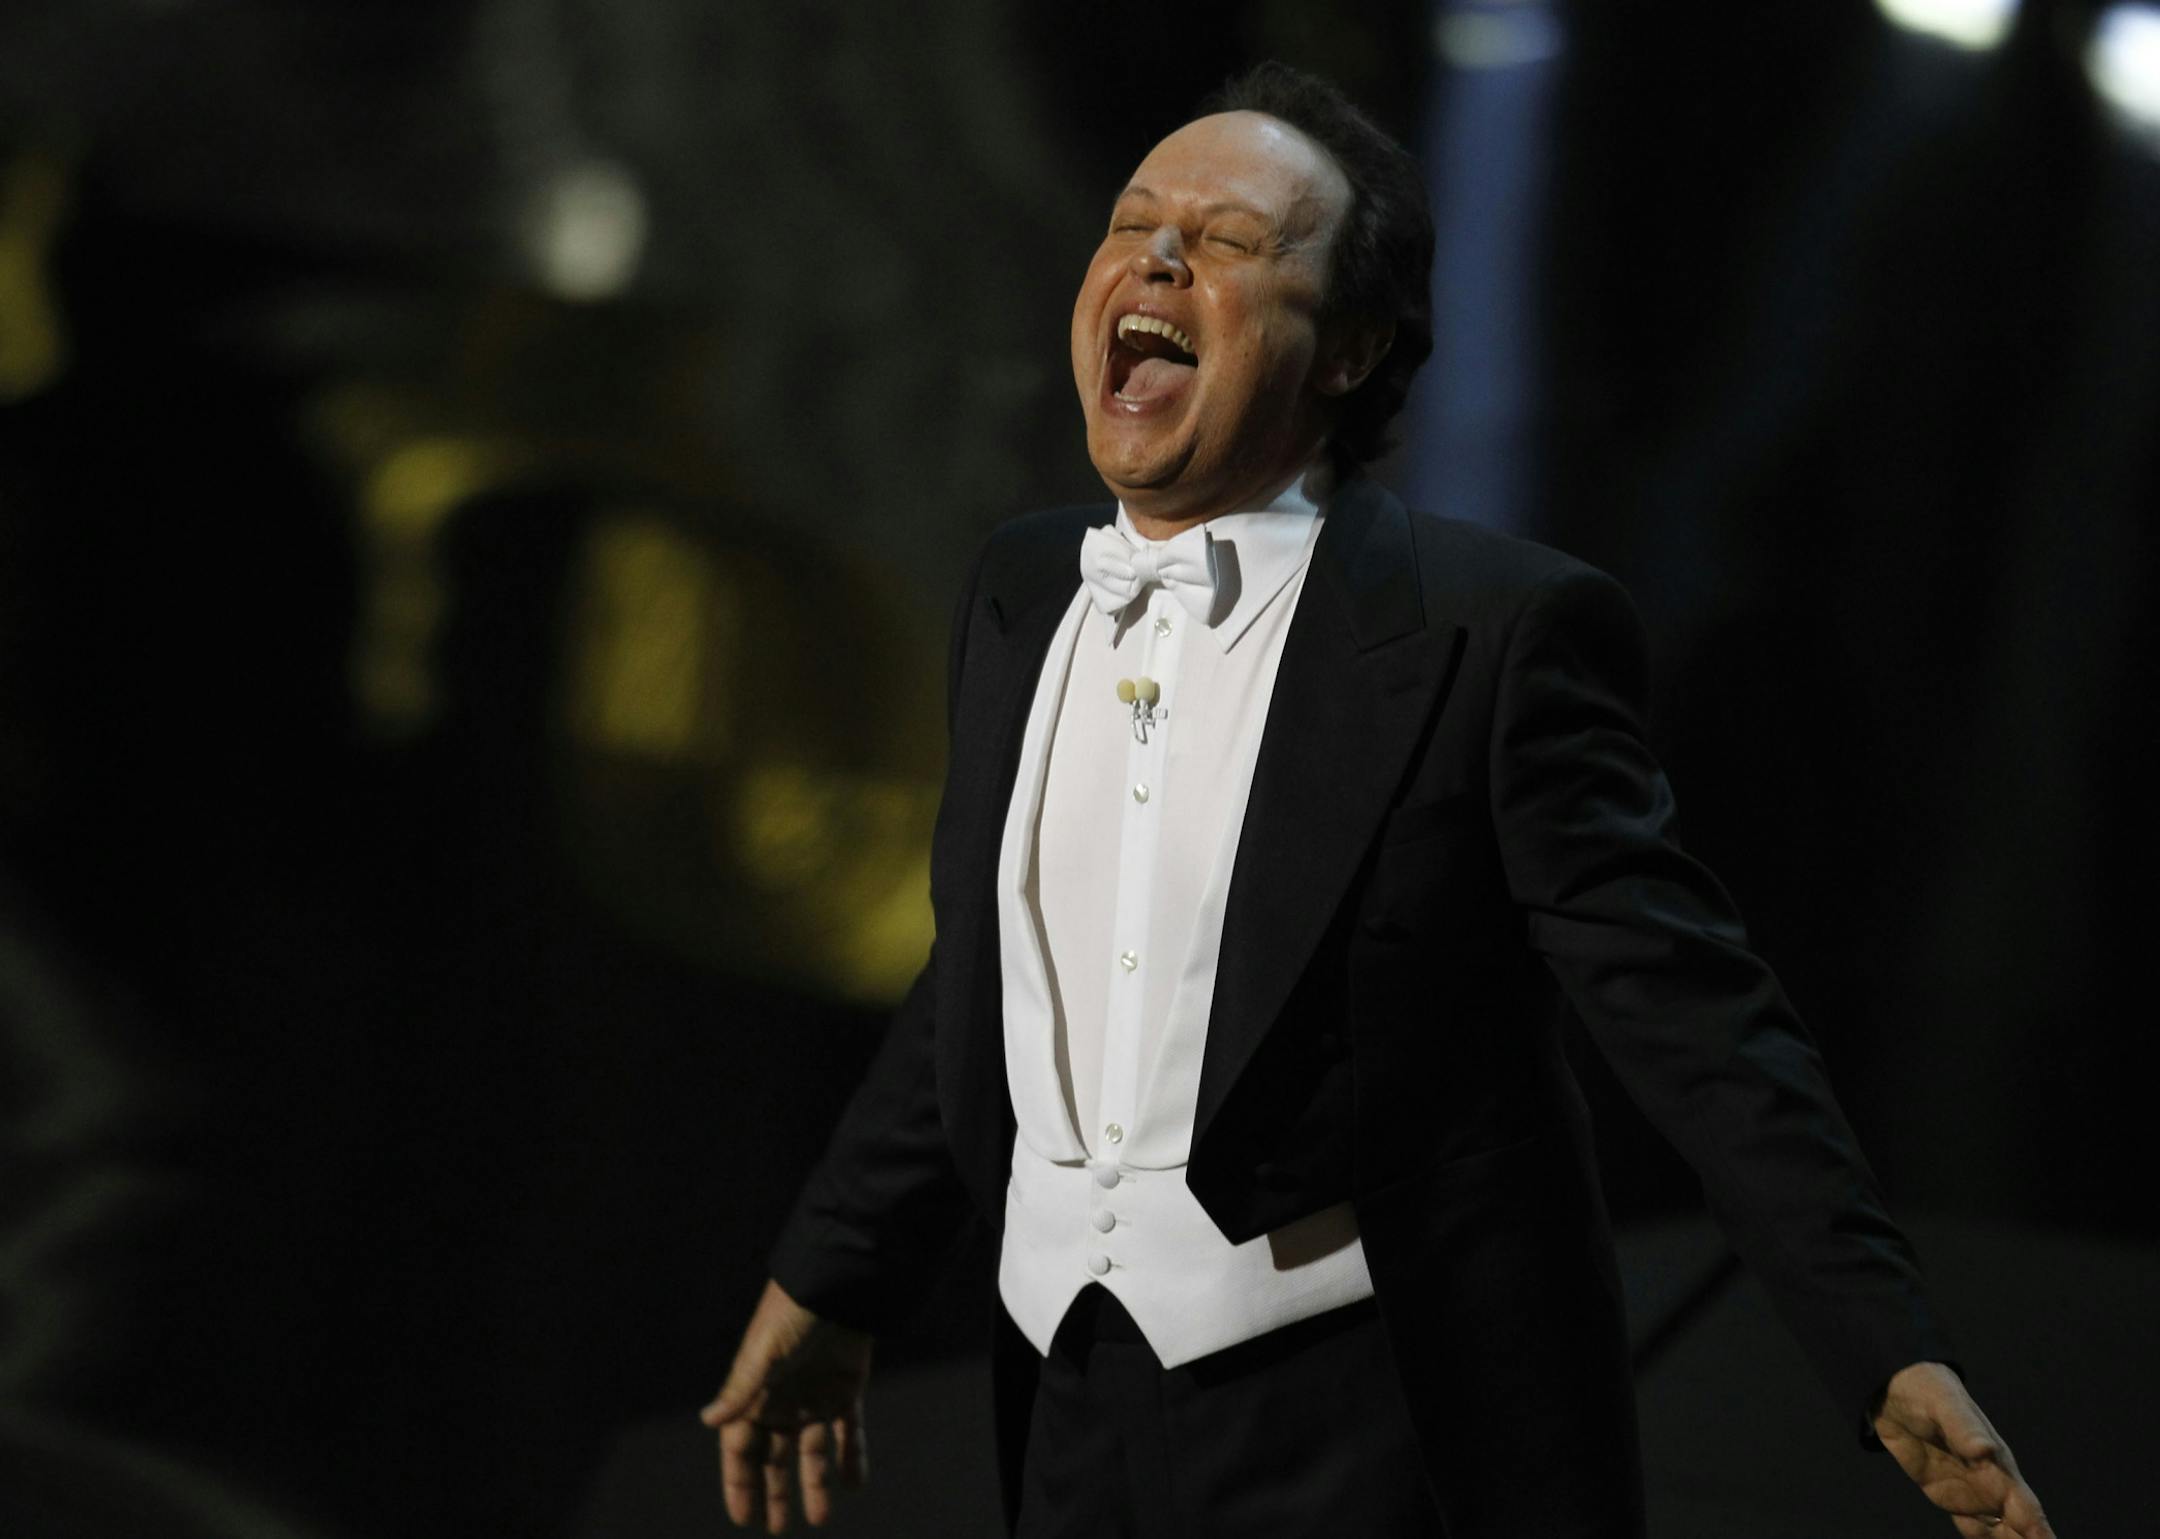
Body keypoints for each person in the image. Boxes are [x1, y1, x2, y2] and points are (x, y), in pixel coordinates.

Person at [700, 62, 2055, 1539]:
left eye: (1222, 241)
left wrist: (1880, 1339)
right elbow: (991, 975)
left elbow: (1692, 1018)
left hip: (1360, 1420)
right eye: (1133, 222)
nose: (1154, 257)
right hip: (1069, 1392)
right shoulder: (1023, 592)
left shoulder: (1493, 637)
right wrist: (835, 1269)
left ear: (1347, 349)